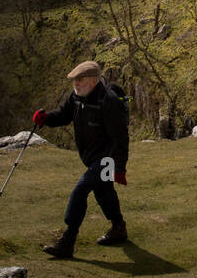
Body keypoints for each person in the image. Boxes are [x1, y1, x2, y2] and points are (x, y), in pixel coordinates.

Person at [35, 61, 130, 258]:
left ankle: (67, 241)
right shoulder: (78, 97)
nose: (75, 84)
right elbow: (63, 115)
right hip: (91, 156)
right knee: (103, 191)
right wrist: (46, 119)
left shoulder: (109, 101)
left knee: (80, 191)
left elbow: (120, 137)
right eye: (74, 81)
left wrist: (119, 167)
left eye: (80, 80)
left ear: (94, 81)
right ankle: (119, 227)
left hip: (107, 158)